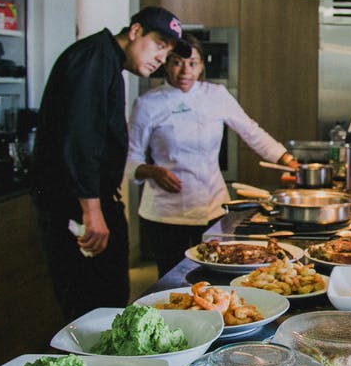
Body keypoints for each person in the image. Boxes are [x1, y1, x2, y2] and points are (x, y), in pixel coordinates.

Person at [30, 6, 181, 320]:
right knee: (92, 305)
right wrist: (92, 211)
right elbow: (80, 139)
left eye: (167, 53)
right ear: (136, 31)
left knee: (108, 300)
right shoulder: (93, 59)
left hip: (91, 202)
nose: (161, 59)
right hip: (76, 208)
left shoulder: (107, 62)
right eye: (158, 45)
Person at [127, 35, 298, 277]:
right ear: (166, 63)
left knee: (219, 274)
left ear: (202, 65)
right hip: (166, 213)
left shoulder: (216, 95)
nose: (185, 71)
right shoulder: (147, 104)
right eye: (177, 63)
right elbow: (130, 157)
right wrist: (151, 170)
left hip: (212, 206)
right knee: (173, 278)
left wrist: (288, 161)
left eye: (193, 63)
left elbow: (251, 131)